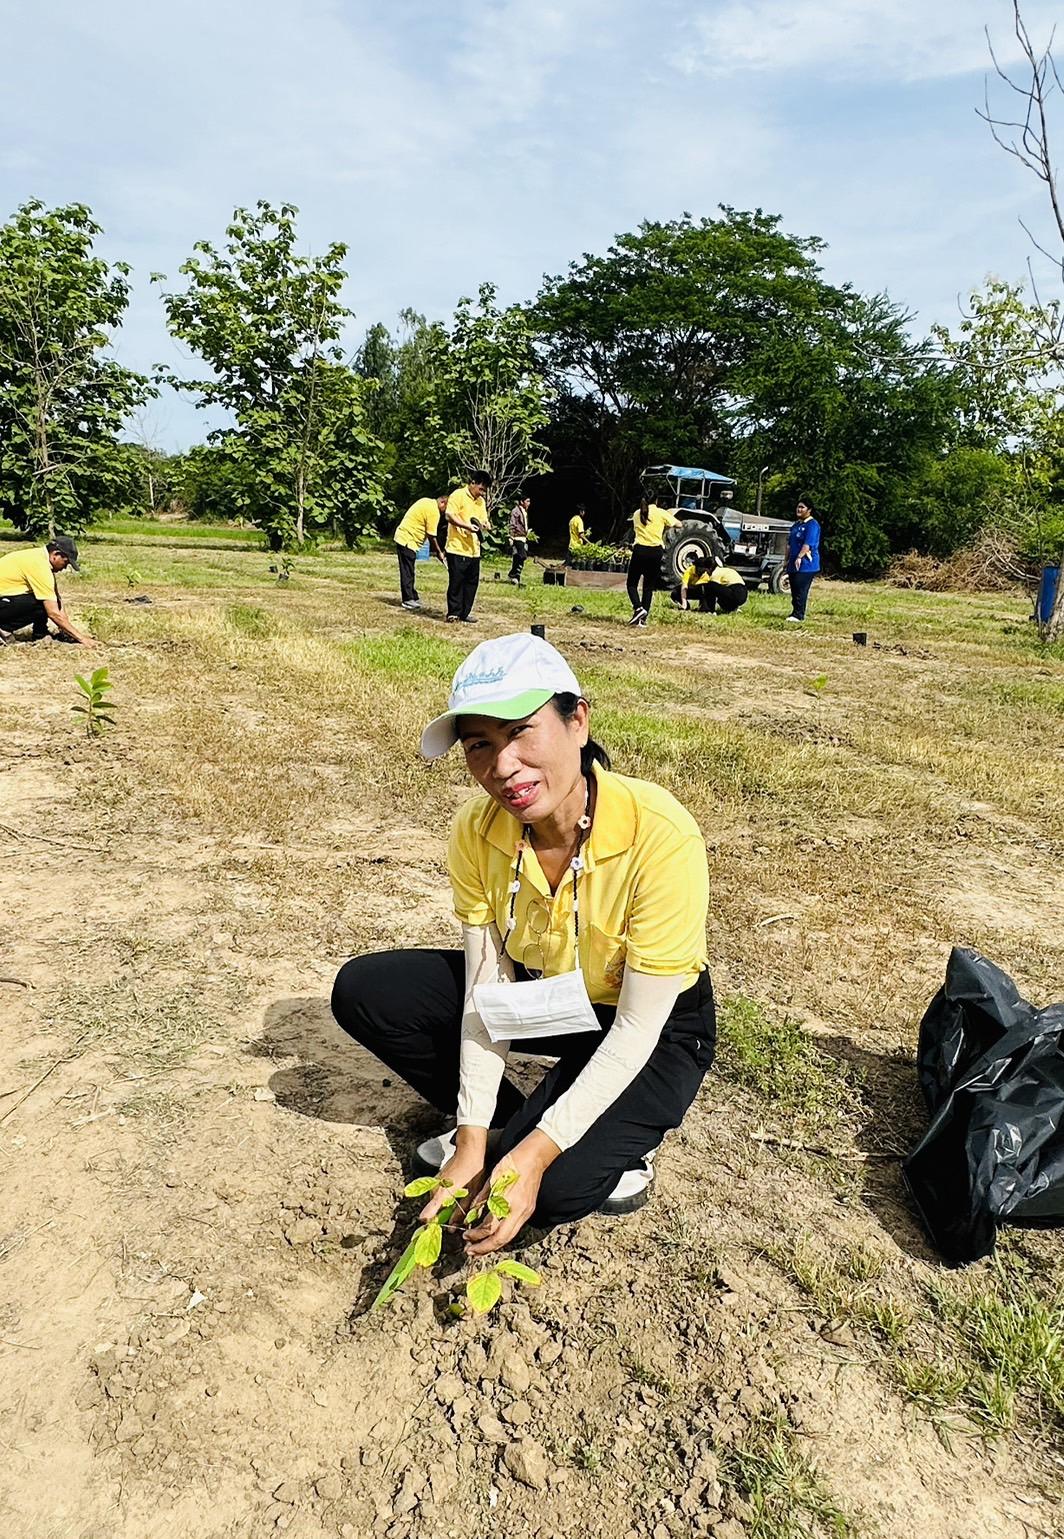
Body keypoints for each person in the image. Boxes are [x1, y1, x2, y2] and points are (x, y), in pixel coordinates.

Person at [331, 632, 714, 1249]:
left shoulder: (658, 833)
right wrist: (474, 1134)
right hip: (552, 999)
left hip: (655, 1023)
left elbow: (637, 1030)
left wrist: (535, 1159)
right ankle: (515, 1132)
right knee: (370, 991)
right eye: (479, 744)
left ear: (578, 722)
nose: (502, 766)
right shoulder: (477, 830)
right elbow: (488, 988)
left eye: (520, 731)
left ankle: (588, 1146)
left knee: (554, 1192)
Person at [0, 535, 94, 646]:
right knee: (43, 603)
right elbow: (53, 612)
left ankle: (40, 635)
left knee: (46, 599)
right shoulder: (39, 566)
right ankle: (3, 629)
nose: (65, 568)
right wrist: (82, 639)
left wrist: (66, 630)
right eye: (65, 562)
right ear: (56, 555)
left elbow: (56, 599)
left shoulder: (39, 557)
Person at [444, 472, 493, 623]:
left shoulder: (481, 502)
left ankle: (465, 613)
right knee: (457, 581)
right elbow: (449, 515)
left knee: (472, 583)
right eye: (481, 489)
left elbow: (483, 520)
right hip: (457, 547)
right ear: (472, 483)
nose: (482, 493)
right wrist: (466, 526)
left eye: (484, 490)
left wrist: (486, 525)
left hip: (474, 549)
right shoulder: (458, 495)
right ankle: (453, 612)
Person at [626, 498, 681, 626]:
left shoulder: (636, 513)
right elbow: (679, 524)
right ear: (656, 500)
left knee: (632, 584)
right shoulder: (661, 513)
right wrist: (666, 523)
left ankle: (638, 608)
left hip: (640, 550)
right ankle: (643, 619)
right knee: (648, 587)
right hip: (656, 552)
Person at [394, 494, 447, 610]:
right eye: (446, 509)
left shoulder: (426, 501)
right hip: (407, 539)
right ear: (443, 502)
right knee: (407, 571)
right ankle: (407, 599)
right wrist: (439, 552)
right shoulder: (434, 512)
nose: (445, 513)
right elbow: (432, 535)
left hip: (404, 536)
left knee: (409, 569)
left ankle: (413, 595)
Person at [673, 557, 748, 616]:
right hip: (743, 592)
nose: (705, 572)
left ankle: (709, 610)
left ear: (709, 568)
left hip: (735, 591)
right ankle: (732, 609)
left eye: (706, 570)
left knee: (709, 586)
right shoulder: (724, 570)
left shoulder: (715, 574)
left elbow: (708, 590)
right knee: (720, 598)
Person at [786, 496, 821, 623]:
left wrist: (800, 557)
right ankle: (795, 611)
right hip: (793, 563)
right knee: (794, 588)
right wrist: (787, 560)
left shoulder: (812, 525)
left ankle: (799, 614)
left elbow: (808, 544)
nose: (799, 509)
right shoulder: (796, 525)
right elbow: (789, 544)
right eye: (798, 507)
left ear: (809, 510)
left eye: (802, 507)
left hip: (806, 564)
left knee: (801, 588)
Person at [508, 494, 532, 585]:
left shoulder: (525, 511)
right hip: (517, 537)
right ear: (522, 502)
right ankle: (514, 574)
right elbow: (512, 524)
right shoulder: (516, 511)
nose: (529, 504)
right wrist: (511, 537)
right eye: (527, 501)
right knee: (523, 555)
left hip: (523, 537)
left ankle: (515, 576)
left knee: (517, 557)